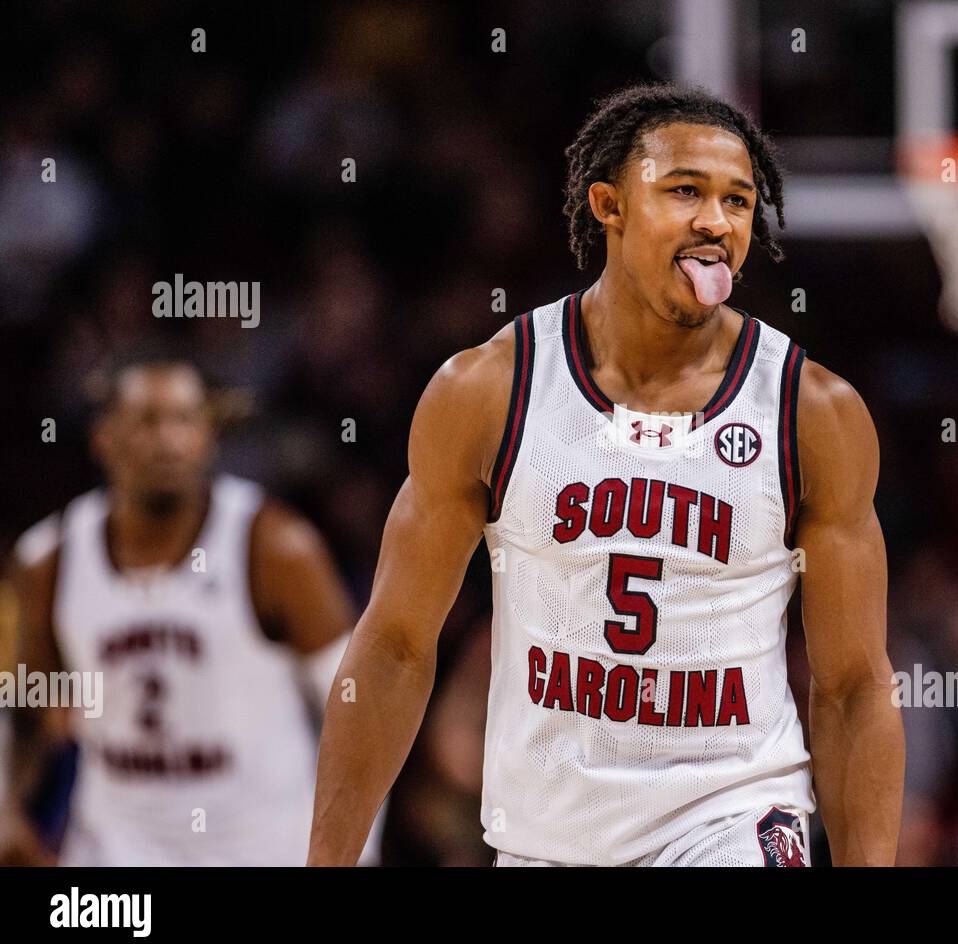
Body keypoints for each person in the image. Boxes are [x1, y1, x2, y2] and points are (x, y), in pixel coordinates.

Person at [309, 83, 903, 867]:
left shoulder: (809, 411)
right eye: (685, 190)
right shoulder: (490, 390)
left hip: (730, 821)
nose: (715, 222)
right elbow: (392, 649)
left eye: (738, 201)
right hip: (545, 841)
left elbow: (854, 686)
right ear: (609, 203)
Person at [1, 352, 380, 865]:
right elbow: (26, 711)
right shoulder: (48, 559)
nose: (168, 440)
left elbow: (360, 705)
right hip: (117, 851)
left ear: (210, 436)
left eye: (185, 420)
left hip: (266, 846)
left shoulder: (275, 547)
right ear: (103, 438)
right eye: (146, 421)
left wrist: (356, 850)